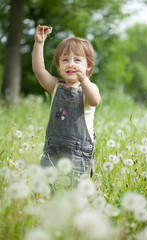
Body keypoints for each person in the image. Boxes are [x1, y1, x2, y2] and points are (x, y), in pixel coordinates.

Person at [32, 24, 101, 178]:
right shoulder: (56, 86)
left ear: (88, 66)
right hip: (52, 151)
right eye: (65, 60)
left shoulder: (90, 88)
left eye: (77, 60)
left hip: (78, 153)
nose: (71, 64)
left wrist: (83, 80)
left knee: (74, 191)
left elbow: (94, 100)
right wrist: (39, 43)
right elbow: (39, 70)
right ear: (59, 66)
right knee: (46, 188)